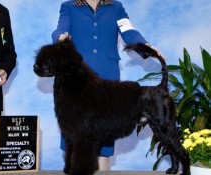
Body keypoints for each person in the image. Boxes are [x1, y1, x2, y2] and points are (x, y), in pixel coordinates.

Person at [52, 0, 163, 170]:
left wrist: (146, 47)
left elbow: (129, 31)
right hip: (77, 81)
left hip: (107, 76)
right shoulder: (69, 6)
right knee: (76, 135)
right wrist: (60, 38)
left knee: (104, 138)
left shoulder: (116, 7)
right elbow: (61, 28)